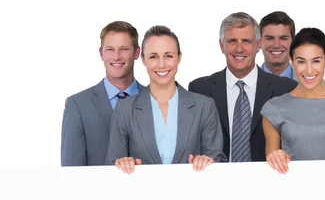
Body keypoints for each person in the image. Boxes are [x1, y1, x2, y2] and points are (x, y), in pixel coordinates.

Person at [106, 25, 226, 173]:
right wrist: (122, 163)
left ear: (179, 58)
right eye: (153, 57)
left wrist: (209, 162)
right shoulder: (124, 110)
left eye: (169, 56)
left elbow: (218, 162)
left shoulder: (204, 106)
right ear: (143, 59)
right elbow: (111, 166)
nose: (161, 64)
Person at [188, 12, 297, 162]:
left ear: (258, 45)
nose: (239, 49)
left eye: (246, 41)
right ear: (221, 46)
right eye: (232, 41)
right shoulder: (200, 89)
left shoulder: (285, 89)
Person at [261, 27, 325, 175]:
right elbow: (271, 168)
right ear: (291, 61)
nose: (309, 71)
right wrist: (275, 157)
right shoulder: (274, 109)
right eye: (301, 62)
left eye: (316, 61)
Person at [61, 21, 145, 166]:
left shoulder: (155, 99)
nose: (117, 56)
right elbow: (71, 172)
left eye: (124, 49)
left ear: (137, 53)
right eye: (110, 49)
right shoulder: (78, 105)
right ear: (101, 53)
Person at [259, 11, 298, 81]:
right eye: (270, 38)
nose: (276, 45)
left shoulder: (315, 84)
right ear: (259, 42)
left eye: (283, 38)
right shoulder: (243, 83)